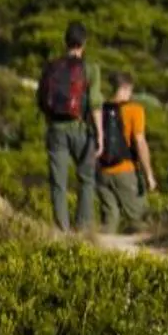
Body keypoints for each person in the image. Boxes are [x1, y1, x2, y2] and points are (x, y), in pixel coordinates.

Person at [35, 23, 100, 232]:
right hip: (79, 127)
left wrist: (50, 121)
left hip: (55, 129)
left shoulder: (51, 67)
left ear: (66, 41)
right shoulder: (90, 69)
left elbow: (41, 99)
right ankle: (82, 226)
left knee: (58, 181)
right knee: (87, 178)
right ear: (84, 43)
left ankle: (61, 228)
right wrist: (100, 134)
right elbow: (95, 104)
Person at [92, 73, 156, 233]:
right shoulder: (135, 110)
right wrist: (149, 174)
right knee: (140, 221)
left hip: (101, 172)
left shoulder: (99, 109)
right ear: (126, 88)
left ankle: (102, 253)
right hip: (125, 171)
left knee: (109, 222)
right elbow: (140, 142)